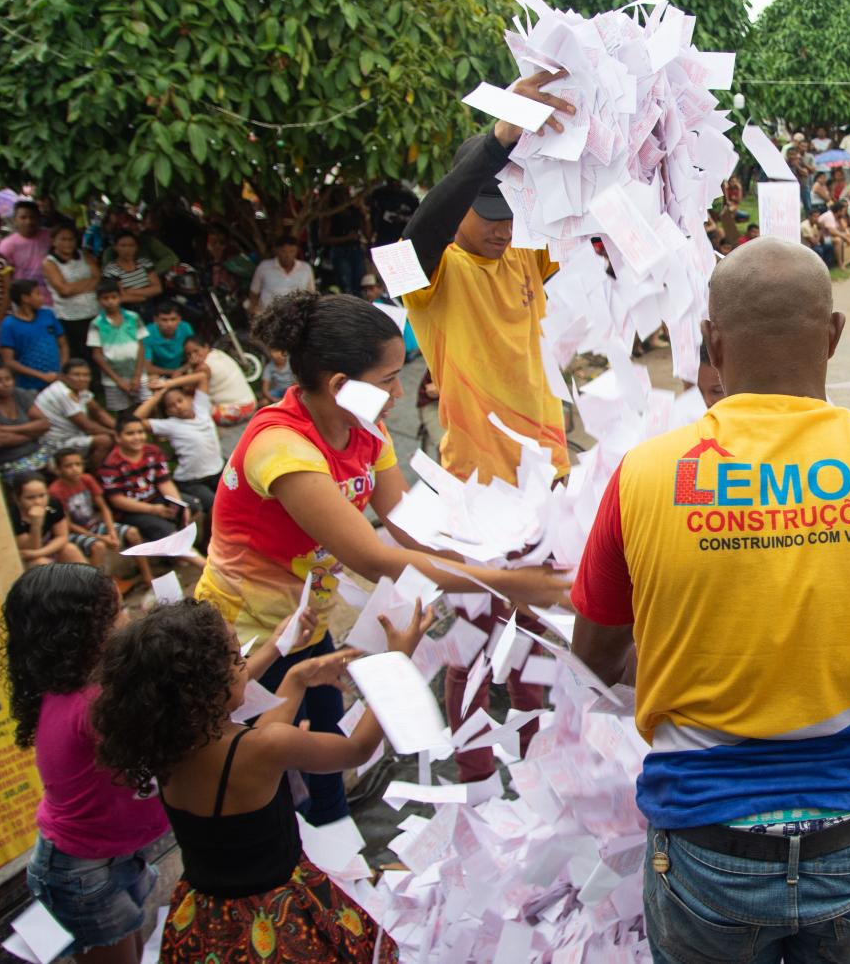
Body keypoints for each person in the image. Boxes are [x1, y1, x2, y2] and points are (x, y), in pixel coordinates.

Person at [571, 237, 850, 962]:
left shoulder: (644, 478)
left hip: (704, 841)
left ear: (711, 344)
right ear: (833, 335)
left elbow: (596, 657)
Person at [195, 290, 571, 817]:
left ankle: (329, 855)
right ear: (340, 386)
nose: (401, 392)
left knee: (320, 737)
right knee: (259, 766)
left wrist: (499, 560)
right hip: (245, 631)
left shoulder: (364, 428)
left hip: (305, 622)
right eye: (388, 379)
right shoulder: (282, 449)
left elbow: (407, 521)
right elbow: (373, 557)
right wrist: (506, 583)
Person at [401, 71, 579, 779]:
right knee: (474, 642)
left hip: (546, 485)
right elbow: (421, 227)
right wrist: (500, 133)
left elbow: (579, 211)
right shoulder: (433, 274)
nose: (501, 225)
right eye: (486, 212)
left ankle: (537, 773)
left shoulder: (526, 259)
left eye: (509, 213)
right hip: (478, 489)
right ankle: (474, 775)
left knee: (537, 641)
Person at [91, 598, 423, 963]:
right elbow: (357, 749)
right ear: (204, 688)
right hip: (280, 922)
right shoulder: (264, 747)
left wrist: (295, 679)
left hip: (205, 920)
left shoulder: (166, 745)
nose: (246, 669)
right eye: (237, 661)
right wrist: (397, 664)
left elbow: (252, 744)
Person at [1, 564, 172, 963]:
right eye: (115, 612)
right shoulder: (93, 703)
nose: (127, 616)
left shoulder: (80, 687)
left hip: (107, 856)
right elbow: (163, 753)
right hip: (85, 870)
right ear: (82, 632)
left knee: (129, 946)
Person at [96, 413, 205, 566]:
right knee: (162, 527)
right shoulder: (111, 465)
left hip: (155, 498)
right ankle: (203, 565)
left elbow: (164, 482)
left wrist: (179, 504)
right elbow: (117, 501)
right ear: (118, 437)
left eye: (140, 432)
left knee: (190, 506)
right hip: (131, 510)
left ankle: (178, 552)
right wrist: (153, 510)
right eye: (130, 433)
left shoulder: (153, 452)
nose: (137, 437)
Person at [135, 373, 223, 519]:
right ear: (168, 412)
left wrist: (168, 384)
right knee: (215, 508)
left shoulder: (201, 408)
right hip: (192, 480)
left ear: (188, 399)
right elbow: (134, 420)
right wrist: (157, 396)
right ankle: (207, 541)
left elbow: (202, 377)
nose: (178, 407)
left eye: (180, 401)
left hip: (217, 470)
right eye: (171, 406)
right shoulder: (170, 425)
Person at [49, 447, 147, 575]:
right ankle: (95, 583)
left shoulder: (87, 479)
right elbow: (68, 525)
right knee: (98, 546)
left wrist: (111, 532)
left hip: (93, 525)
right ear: (58, 470)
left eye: (78, 464)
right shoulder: (55, 491)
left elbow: (104, 508)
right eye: (68, 466)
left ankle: (147, 576)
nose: (75, 469)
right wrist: (101, 538)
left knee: (132, 532)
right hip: (74, 532)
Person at [41, 223, 102, 371]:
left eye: (71, 239)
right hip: (69, 317)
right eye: (63, 239)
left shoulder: (85, 256)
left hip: (93, 313)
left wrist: (74, 286)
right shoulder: (49, 262)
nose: (68, 243)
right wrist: (88, 283)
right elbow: (64, 290)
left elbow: (99, 278)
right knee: (77, 356)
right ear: (54, 241)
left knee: (95, 352)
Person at [0, 361, 52, 481]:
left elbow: (45, 424)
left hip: (38, 451)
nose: (6, 384)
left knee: (67, 462)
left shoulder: (19, 394)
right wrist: (33, 434)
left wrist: (10, 429)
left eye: (8, 379)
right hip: (10, 462)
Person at [35, 358, 115, 468]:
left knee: (118, 435)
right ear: (64, 376)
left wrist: (121, 428)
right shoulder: (62, 392)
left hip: (73, 435)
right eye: (76, 375)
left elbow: (99, 412)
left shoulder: (79, 389)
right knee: (105, 440)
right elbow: (88, 427)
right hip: (56, 443)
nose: (82, 379)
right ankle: (96, 474)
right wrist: (116, 433)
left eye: (86, 375)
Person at [88, 280, 150, 415]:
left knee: (148, 407)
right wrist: (118, 381)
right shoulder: (96, 323)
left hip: (139, 374)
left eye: (113, 297)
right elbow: (97, 355)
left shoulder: (133, 317)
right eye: (105, 298)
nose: (110, 301)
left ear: (120, 297)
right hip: (113, 379)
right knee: (124, 412)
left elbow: (141, 348)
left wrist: (137, 376)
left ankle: (153, 435)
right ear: (99, 300)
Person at [0, 278, 67, 389]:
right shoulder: (8, 325)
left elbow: (63, 344)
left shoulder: (48, 315)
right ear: (25, 298)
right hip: (29, 387)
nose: (42, 298)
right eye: (37, 294)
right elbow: (8, 361)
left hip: (57, 381)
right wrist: (41, 376)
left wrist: (62, 369)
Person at [10, 472, 86, 569]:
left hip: (44, 550)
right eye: (30, 498)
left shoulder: (52, 506)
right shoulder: (14, 517)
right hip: (28, 559)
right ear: (17, 498)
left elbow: (62, 536)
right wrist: (36, 524)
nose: (38, 501)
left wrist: (38, 553)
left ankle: (91, 582)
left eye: (42, 495)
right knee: (41, 563)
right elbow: (30, 550)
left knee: (70, 549)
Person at [181, 335, 256, 426]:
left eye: (196, 351)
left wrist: (187, 366)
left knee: (189, 401)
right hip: (251, 403)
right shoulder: (217, 353)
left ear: (205, 347)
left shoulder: (204, 367)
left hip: (240, 410)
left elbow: (187, 388)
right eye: (189, 354)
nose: (193, 356)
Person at [247, 234, 315, 315]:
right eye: (284, 251)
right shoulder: (264, 267)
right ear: (276, 251)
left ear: (296, 251)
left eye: (291, 251)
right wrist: (253, 312)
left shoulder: (306, 268)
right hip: (269, 317)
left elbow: (311, 294)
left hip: (297, 317)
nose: (288, 255)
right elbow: (254, 293)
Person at [319, 186, 368, 296]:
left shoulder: (355, 210)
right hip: (340, 251)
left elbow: (367, 234)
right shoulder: (331, 212)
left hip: (356, 249)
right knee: (345, 287)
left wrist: (364, 213)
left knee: (360, 285)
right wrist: (346, 238)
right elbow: (323, 238)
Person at [358, 272, 419, 361]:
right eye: (366, 290)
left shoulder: (385, 302)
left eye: (371, 289)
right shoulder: (382, 301)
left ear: (380, 288)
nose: (368, 293)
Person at [100, 232, 161, 316]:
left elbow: (157, 288)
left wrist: (131, 291)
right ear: (115, 247)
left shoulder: (145, 263)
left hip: (151, 307)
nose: (127, 249)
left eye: (131, 245)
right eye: (123, 246)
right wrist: (143, 297)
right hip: (126, 311)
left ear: (136, 247)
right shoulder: (111, 269)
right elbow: (120, 296)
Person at [0, 199, 54, 291]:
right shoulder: (7, 245)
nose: (28, 222)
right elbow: (5, 274)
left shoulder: (52, 237)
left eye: (32, 217)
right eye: (23, 217)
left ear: (39, 218)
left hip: (53, 296)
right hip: (24, 298)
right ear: (15, 219)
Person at [141, 303, 194, 377]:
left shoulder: (185, 328)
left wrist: (183, 370)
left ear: (179, 319)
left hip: (183, 369)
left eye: (173, 319)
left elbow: (195, 354)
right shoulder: (147, 333)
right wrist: (174, 372)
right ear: (155, 320)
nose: (169, 324)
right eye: (164, 320)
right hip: (158, 373)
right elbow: (147, 367)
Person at [368, 179, 420, 246]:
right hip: (383, 237)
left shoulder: (409, 196)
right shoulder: (379, 193)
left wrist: (403, 218)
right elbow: (373, 215)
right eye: (391, 180)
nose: (393, 183)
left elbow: (417, 218)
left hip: (402, 237)